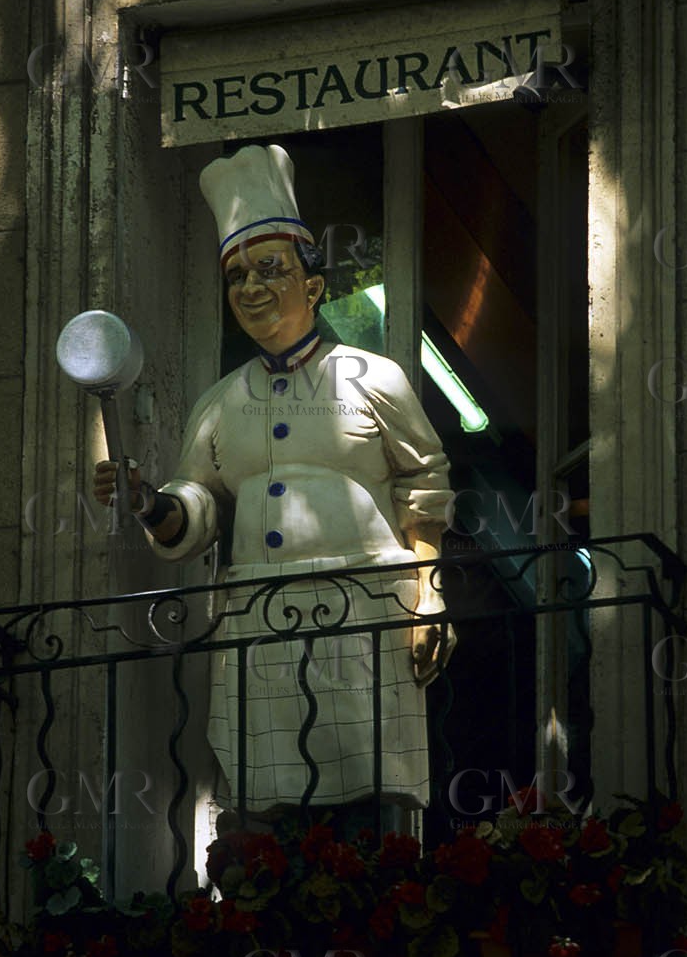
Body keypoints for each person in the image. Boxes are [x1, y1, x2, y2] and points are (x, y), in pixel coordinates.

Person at [93, 143, 454, 825]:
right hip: (257, 622)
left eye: (269, 270)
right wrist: (149, 501)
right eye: (236, 278)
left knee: (374, 795)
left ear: (313, 287)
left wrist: (428, 594)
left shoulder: (375, 378)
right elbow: (195, 510)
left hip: (367, 611)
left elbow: (424, 485)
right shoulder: (220, 402)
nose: (251, 289)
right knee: (266, 801)